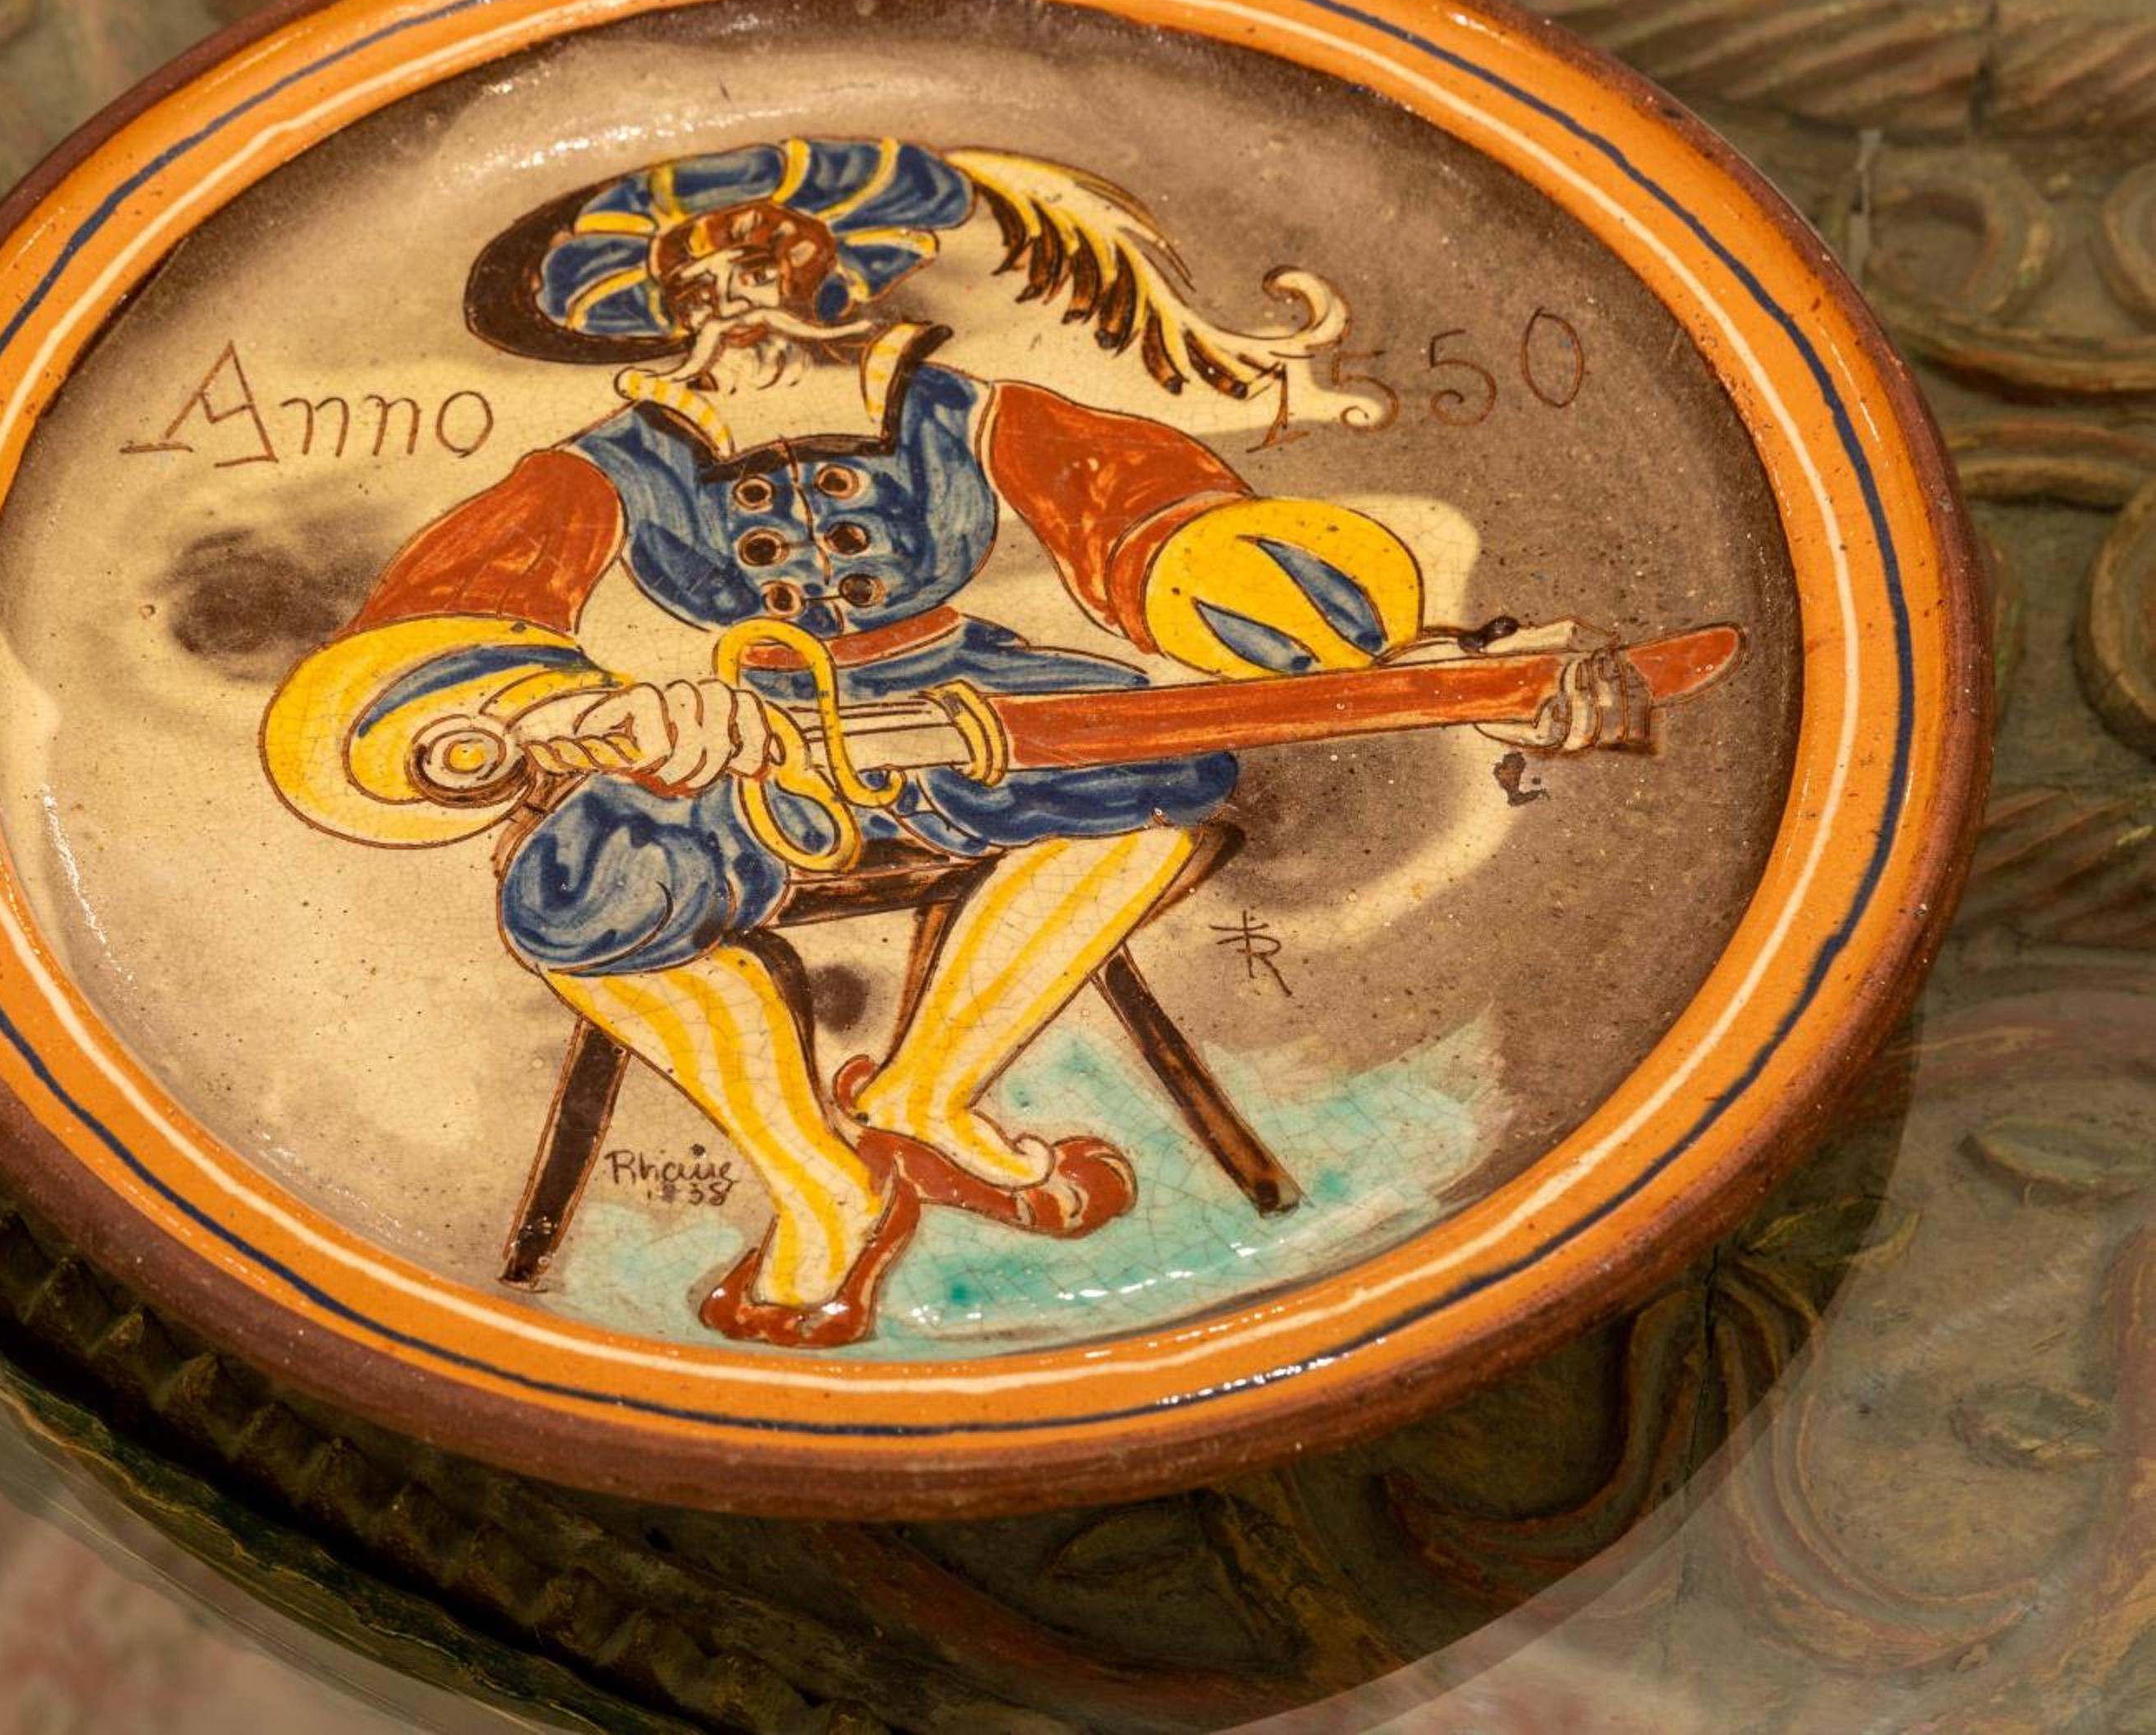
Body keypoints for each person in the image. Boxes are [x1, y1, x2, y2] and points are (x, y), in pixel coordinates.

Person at [269, 139, 1645, 1348]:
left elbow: (1148, 520)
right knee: (580, 893)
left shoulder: (962, 411)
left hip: (967, 692)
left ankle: (926, 1090)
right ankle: (818, 1179)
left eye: (770, 261)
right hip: (744, 730)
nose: (738, 298)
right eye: (703, 277)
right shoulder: (609, 463)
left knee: (1146, 785)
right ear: (661, 303)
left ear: (837, 276)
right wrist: (581, 708)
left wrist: (1381, 640)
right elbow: (458, 610)